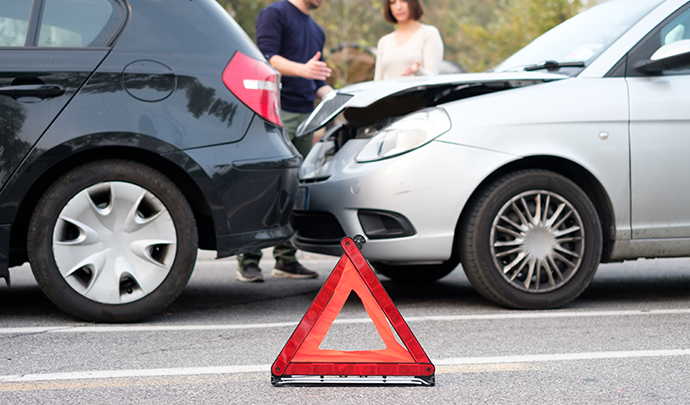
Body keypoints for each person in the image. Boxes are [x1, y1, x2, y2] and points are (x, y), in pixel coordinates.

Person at [236, 0, 334, 283]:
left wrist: (338, 99)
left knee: (294, 188)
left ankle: (286, 259)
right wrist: (303, 70)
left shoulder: (316, 29)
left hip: (306, 116)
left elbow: (316, 81)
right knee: (264, 185)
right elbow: (267, 58)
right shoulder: (275, 14)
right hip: (275, 112)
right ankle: (249, 259)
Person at [374, 0, 444, 81]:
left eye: (403, 1)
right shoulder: (384, 41)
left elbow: (433, 78)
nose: (398, 7)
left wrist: (418, 72)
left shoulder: (428, 34)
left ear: (414, 3)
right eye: (393, 2)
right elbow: (377, 81)